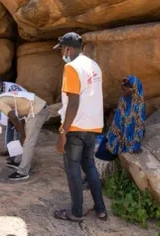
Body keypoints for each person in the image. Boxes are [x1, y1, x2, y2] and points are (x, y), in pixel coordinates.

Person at [53, 32, 107, 222]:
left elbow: (73, 103)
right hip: (94, 126)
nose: (62, 54)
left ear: (68, 48)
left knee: (73, 169)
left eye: (62, 49)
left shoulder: (71, 68)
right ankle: (100, 209)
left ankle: (76, 212)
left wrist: (63, 132)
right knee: (89, 166)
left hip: (76, 127)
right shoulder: (94, 66)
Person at [0, 91, 48, 180]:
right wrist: (22, 133)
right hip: (33, 109)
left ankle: (23, 172)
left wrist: (23, 134)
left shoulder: (0, 103)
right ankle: (18, 161)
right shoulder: (2, 97)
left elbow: (14, 117)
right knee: (23, 137)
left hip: (37, 110)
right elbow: (20, 116)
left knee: (28, 142)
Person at [95, 75, 146, 161]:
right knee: (102, 153)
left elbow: (139, 126)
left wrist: (134, 145)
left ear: (133, 90)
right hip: (117, 133)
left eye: (125, 90)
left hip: (131, 137)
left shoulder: (139, 106)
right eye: (122, 89)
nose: (122, 92)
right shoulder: (123, 100)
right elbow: (117, 121)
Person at [0, 76, 27, 156]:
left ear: (1, 83)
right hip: (12, 108)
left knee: (18, 129)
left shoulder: (12, 88)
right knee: (9, 127)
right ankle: (9, 150)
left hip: (23, 106)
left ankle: (18, 152)